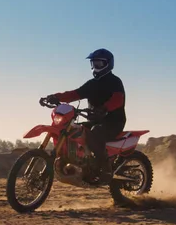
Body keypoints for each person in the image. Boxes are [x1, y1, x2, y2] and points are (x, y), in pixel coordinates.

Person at [43, 48, 126, 183]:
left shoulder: (114, 81)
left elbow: (118, 99)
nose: (95, 66)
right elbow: (74, 94)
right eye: (93, 63)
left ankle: (105, 169)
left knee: (95, 133)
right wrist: (54, 97)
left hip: (113, 121)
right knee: (73, 130)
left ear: (108, 64)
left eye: (99, 63)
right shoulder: (92, 84)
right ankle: (81, 162)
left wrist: (105, 108)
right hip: (94, 120)